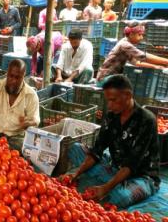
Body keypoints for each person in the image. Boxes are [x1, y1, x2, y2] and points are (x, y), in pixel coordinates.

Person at [64, 75, 160, 208]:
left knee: (120, 197)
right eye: (107, 100)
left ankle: (113, 184)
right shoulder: (111, 116)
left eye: (113, 100)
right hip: (115, 166)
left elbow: (131, 164)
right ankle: (111, 180)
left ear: (127, 95)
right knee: (75, 148)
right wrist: (76, 173)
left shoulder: (146, 120)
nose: (109, 105)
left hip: (140, 176)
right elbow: (97, 150)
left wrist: (106, 188)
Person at [0, 59, 40, 152]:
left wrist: (28, 123)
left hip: (16, 138)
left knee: (18, 152)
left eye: (18, 78)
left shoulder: (31, 95)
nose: (13, 81)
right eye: (11, 76)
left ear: (23, 76)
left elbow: (35, 120)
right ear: (7, 73)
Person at [97, 23, 168, 83]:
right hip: (105, 79)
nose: (142, 37)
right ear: (131, 34)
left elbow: (136, 62)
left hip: (108, 77)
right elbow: (143, 56)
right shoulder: (125, 45)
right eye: (139, 35)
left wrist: (155, 66)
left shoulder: (125, 43)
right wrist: (166, 61)